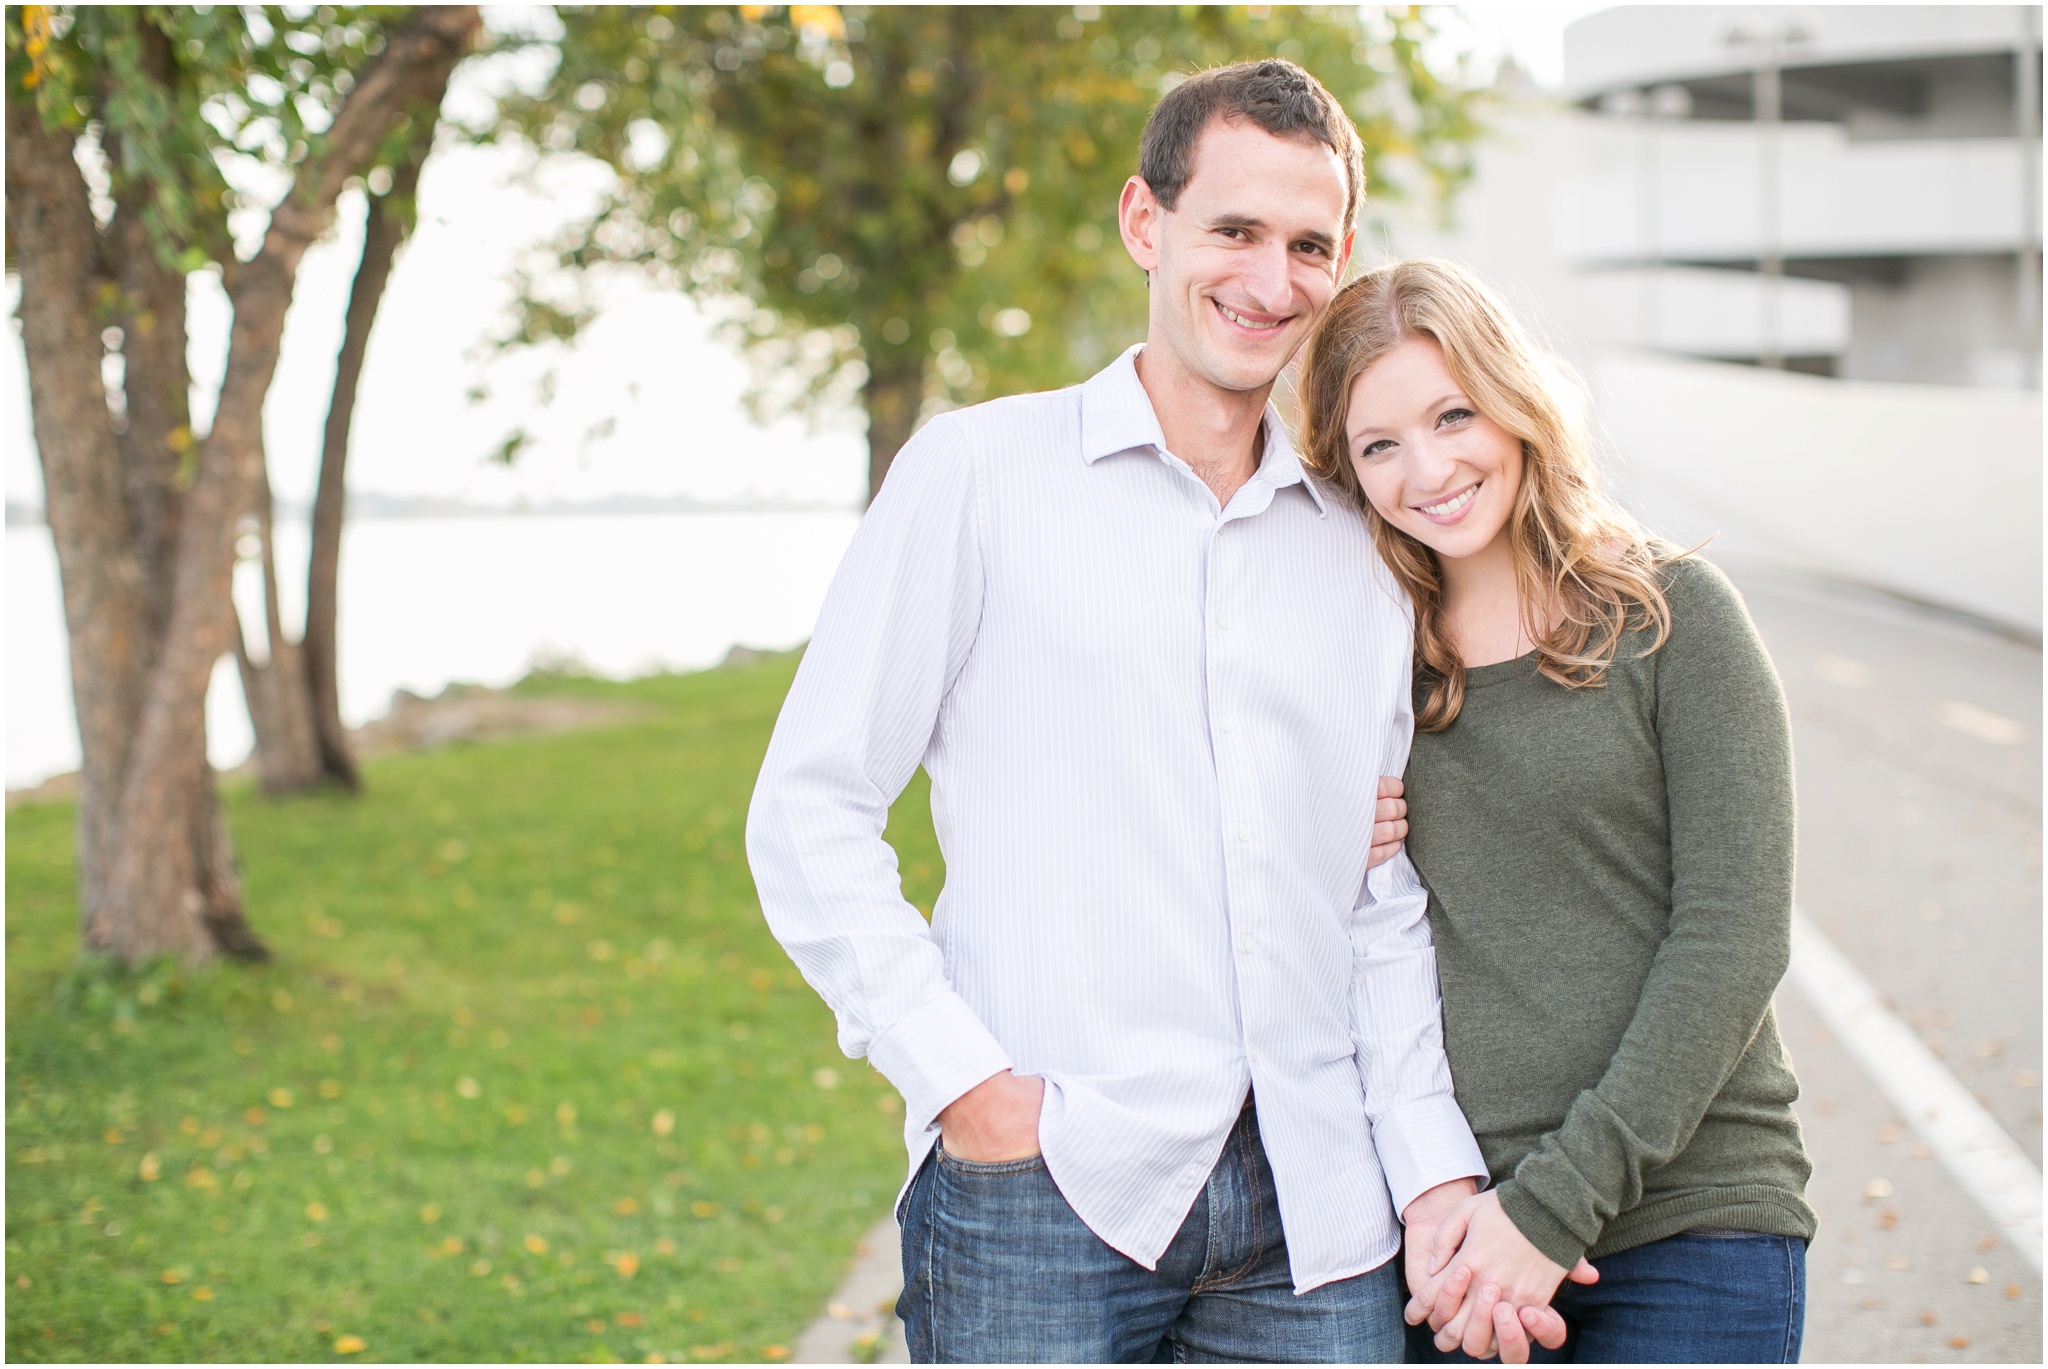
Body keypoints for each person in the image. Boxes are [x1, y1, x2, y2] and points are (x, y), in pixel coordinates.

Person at [747, 63, 1565, 1363]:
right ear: (1146, 223)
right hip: (1051, 1185)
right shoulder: (977, 477)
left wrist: (1430, 1172)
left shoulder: (1359, 542)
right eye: (1233, 230)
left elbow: (1376, 899)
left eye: (1307, 244)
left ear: (1340, 257)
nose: (1269, 277)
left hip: (1319, 1206)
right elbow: (812, 804)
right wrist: (963, 1083)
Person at [1296, 257, 1816, 1364]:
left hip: (1689, 1219)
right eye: (1377, 445)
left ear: (1513, 399)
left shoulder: (1672, 616)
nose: (1425, 468)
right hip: (1462, 1235)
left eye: (1450, 414)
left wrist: (1550, 1210)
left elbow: (1733, 938)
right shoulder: (1368, 666)